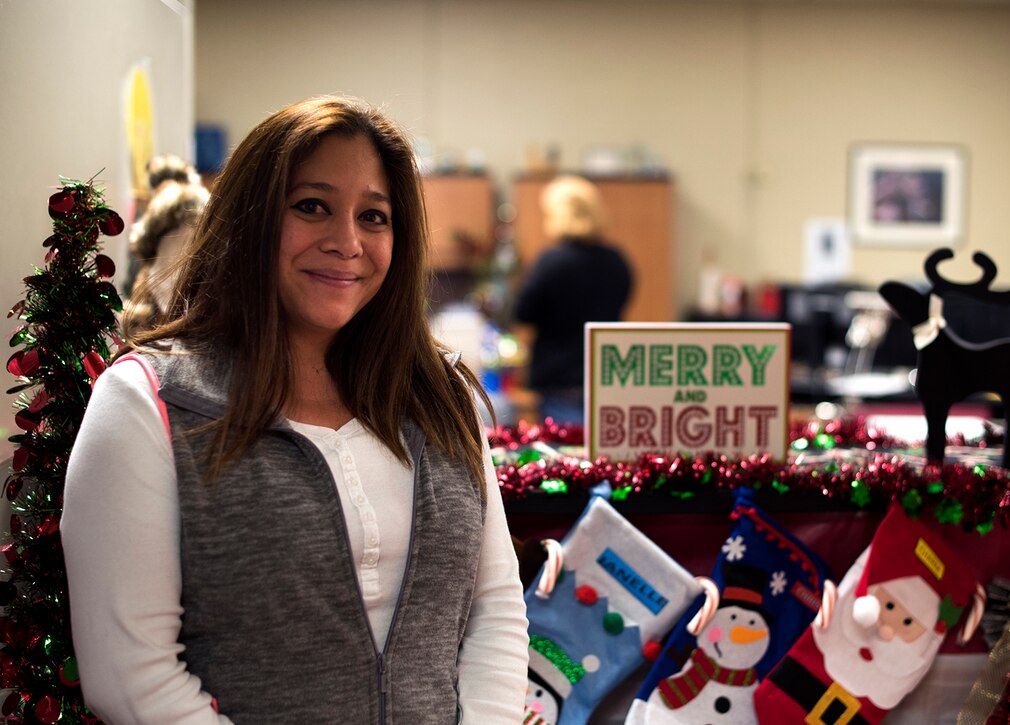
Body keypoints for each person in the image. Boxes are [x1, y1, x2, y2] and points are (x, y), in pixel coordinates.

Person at [61, 96, 529, 723]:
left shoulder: (439, 394)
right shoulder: (149, 404)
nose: (346, 241)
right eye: (312, 207)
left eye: (374, 216)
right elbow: (130, 675)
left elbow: (493, 604)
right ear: (250, 219)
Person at [513, 175, 633, 423]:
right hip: (605, 378)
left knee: (563, 457)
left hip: (559, 380)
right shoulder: (617, 261)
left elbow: (523, 312)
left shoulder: (552, 262)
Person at [124, 155, 210, 333]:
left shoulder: (162, 208)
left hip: (165, 310)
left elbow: (142, 247)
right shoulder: (207, 208)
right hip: (201, 308)